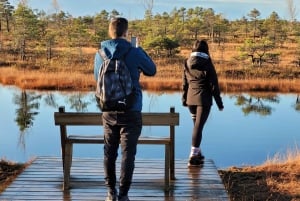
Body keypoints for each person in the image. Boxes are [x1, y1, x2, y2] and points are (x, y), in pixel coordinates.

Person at [94, 17, 156, 201]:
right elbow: (152, 70)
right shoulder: (133, 51)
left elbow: (96, 78)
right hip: (131, 109)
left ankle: (110, 192)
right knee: (128, 154)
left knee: (109, 152)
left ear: (110, 32)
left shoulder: (100, 54)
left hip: (108, 110)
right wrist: (139, 49)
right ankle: (123, 194)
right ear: (126, 33)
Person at [182, 39, 224, 167]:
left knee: (196, 126)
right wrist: (219, 103)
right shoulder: (207, 63)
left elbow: (185, 83)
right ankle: (193, 155)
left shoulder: (187, 62)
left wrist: (184, 99)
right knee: (198, 127)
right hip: (203, 100)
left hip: (190, 100)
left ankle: (198, 154)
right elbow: (214, 85)